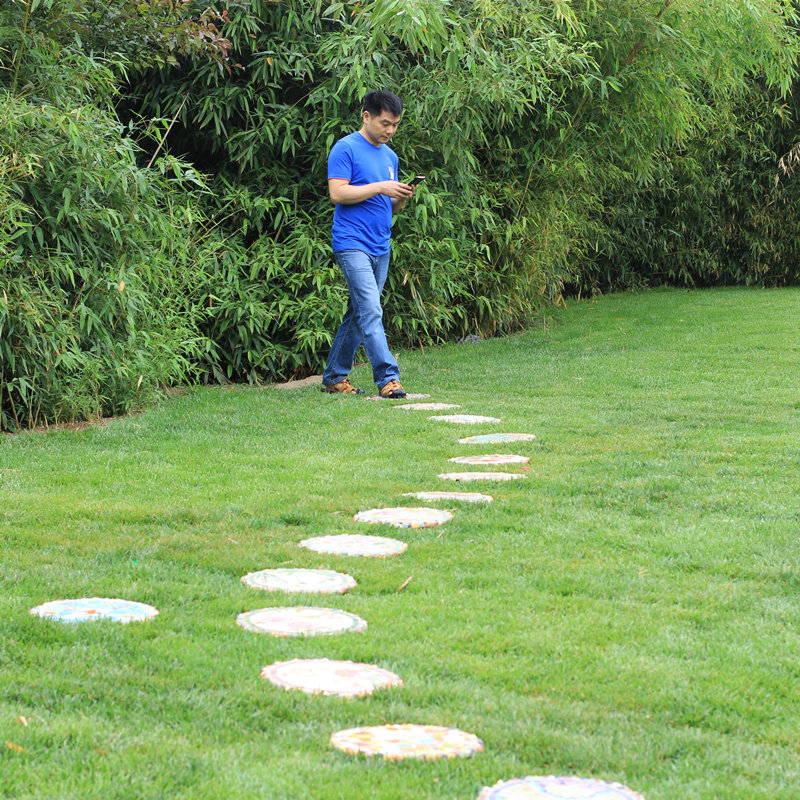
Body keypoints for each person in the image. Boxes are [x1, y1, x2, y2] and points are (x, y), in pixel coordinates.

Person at [321, 90, 417, 398]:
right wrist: (380, 187)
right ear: (367, 116)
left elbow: (390, 207)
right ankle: (388, 379)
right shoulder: (345, 148)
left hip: (381, 245)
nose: (390, 130)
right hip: (352, 243)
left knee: (359, 313)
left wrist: (400, 196)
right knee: (371, 310)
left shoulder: (390, 157)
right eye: (385, 123)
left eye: (395, 125)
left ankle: (334, 378)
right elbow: (337, 193)